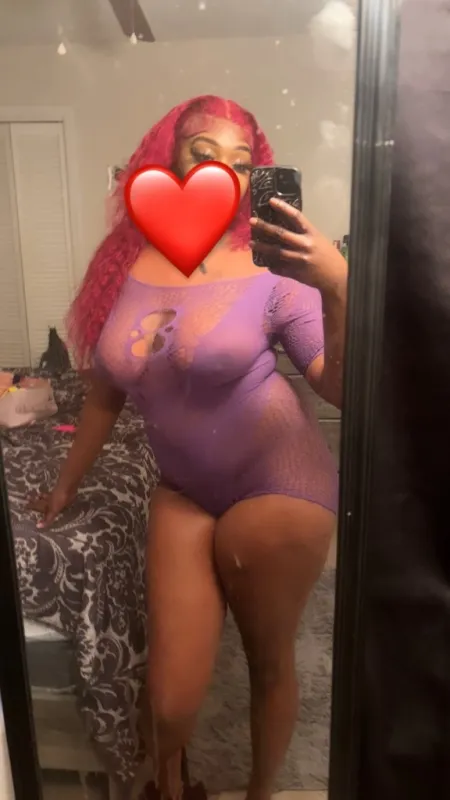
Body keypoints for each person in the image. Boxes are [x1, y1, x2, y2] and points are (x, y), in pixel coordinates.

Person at [31, 95, 347, 800]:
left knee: (268, 662)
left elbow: (340, 387)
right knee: (170, 703)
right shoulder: (125, 264)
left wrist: (338, 286)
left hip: (278, 479)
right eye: (205, 154)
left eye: (243, 162)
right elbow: (107, 393)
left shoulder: (271, 262)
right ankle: (171, 783)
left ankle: (261, 792)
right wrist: (65, 484)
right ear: (168, 158)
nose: (225, 173)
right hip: (183, 487)